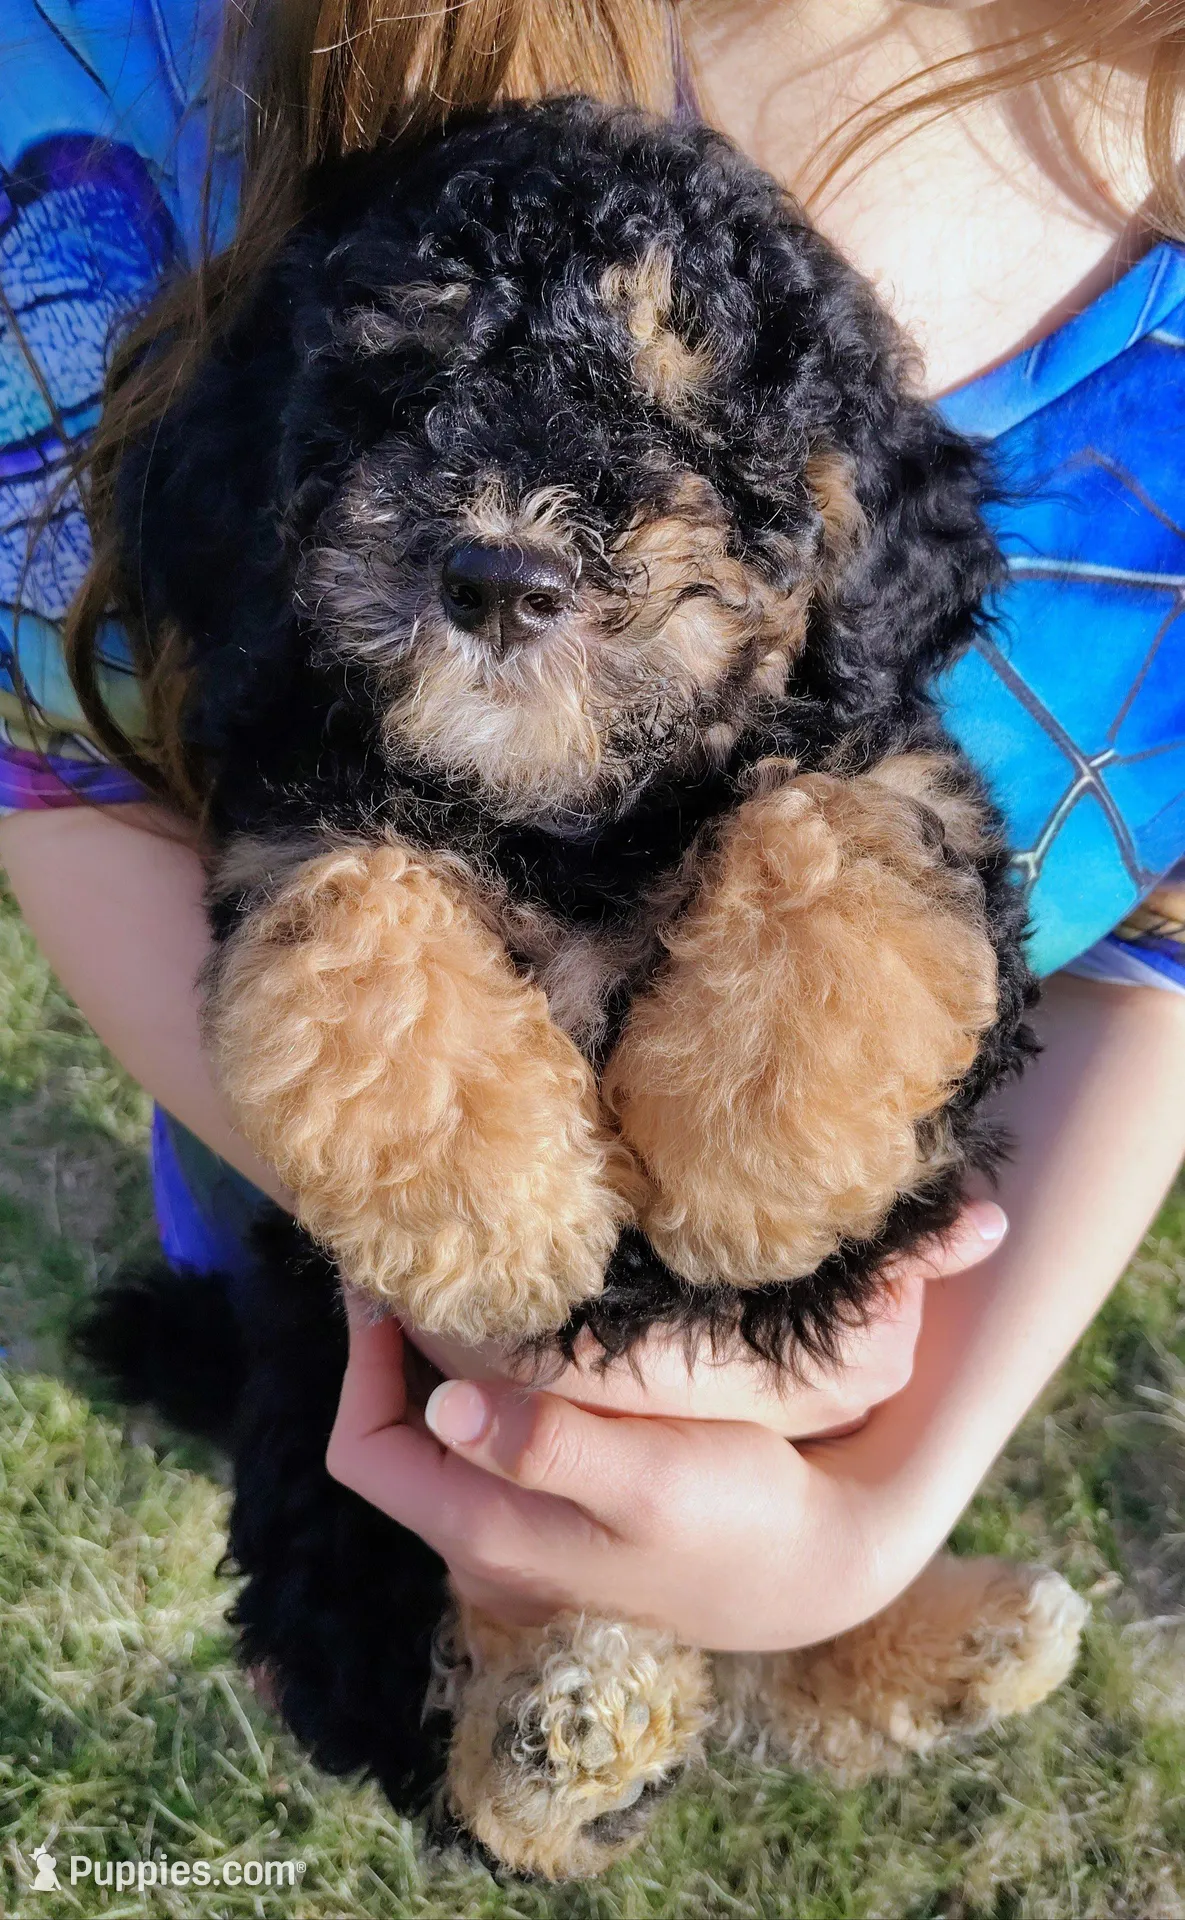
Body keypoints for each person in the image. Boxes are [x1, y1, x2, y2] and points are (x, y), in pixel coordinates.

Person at [2, 0, 1185, 1653]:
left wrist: (871, 1519)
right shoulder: (143, 41)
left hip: (879, 1319)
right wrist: (448, 1266)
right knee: (363, 1606)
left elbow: (1162, 940)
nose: (514, 540)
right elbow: (48, 744)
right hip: (342, 1216)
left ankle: (843, 1659)